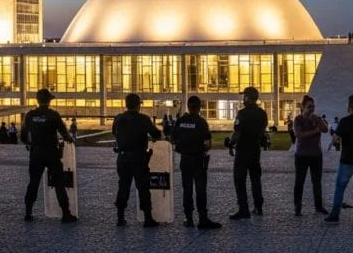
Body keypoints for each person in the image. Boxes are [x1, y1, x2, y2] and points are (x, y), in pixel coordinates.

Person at [21, 89, 77, 223]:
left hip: (36, 153)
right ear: (49, 101)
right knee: (58, 182)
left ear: (38, 100)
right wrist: (71, 140)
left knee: (33, 182)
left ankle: (28, 212)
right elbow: (65, 134)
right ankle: (65, 213)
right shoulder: (53, 115)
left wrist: (31, 144)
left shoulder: (30, 115)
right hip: (51, 152)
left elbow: (23, 137)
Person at [111, 93, 161, 227]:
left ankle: (120, 218)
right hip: (139, 159)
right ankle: (147, 218)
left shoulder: (119, 118)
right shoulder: (143, 119)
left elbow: (114, 132)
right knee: (143, 188)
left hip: (122, 158)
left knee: (123, 187)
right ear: (138, 105)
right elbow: (156, 134)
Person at [172, 95, 222, 229]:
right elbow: (208, 144)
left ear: (188, 106)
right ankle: (203, 219)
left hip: (185, 160)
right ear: (199, 108)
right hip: (198, 160)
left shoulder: (180, 121)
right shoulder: (201, 122)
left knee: (187, 190)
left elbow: (174, 138)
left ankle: (189, 219)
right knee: (200, 190)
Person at [325, 94, 353, 223]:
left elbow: (335, 139)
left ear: (349, 106)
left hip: (347, 160)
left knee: (340, 187)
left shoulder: (344, 121)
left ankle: (335, 214)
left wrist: (336, 141)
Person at [229, 86, 268, 220]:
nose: (243, 98)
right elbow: (262, 132)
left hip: (243, 151)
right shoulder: (262, 114)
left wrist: (231, 143)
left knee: (240, 180)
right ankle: (258, 206)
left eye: (244, 96)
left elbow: (237, 133)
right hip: (255, 150)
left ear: (248, 98)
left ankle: (243, 209)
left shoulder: (243, 113)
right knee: (255, 179)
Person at [292, 95, 329, 216]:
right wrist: (314, 131)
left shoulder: (316, 118)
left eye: (313, 106)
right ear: (303, 107)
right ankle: (297, 206)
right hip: (302, 155)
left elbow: (325, 129)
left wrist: (317, 120)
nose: (311, 109)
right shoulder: (298, 119)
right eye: (309, 106)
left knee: (317, 182)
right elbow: (299, 134)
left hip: (316, 155)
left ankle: (318, 206)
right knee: (299, 181)